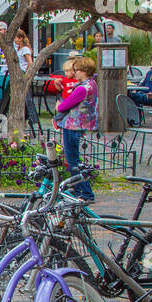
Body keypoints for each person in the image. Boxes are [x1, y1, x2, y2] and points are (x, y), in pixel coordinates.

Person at [52, 56, 98, 202]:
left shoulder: (82, 88)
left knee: (73, 160)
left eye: (76, 70)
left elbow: (64, 106)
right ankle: (77, 189)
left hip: (73, 125)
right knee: (73, 158)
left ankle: (85, 193)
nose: (75, 73)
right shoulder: (91, 84)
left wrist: (59, 106)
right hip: (81, 124)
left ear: (84, 71)